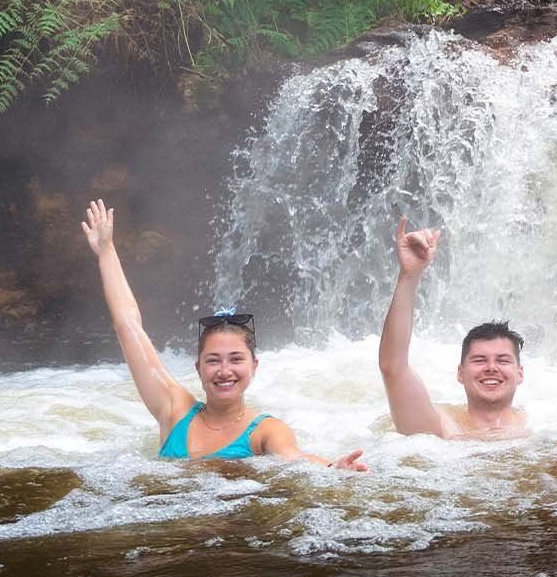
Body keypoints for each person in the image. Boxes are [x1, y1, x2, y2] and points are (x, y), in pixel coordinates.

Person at [80, 199, 365, 467]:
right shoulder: (174, 409)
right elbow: (128, 326)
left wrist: (330, 468)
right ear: (199, 367)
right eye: (213, 360)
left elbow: (293, 457)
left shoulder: (265, 432)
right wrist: (106, 252)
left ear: (254, 366)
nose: (224, 370)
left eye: (235, 359)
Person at [378, 217, 529, 438]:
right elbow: (393, 368)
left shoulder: (542, 429)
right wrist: (410, 275)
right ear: (460, 373)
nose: (491, 367)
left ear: (520, 373)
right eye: (479, 360)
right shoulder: (441, 429)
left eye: (503, 360)